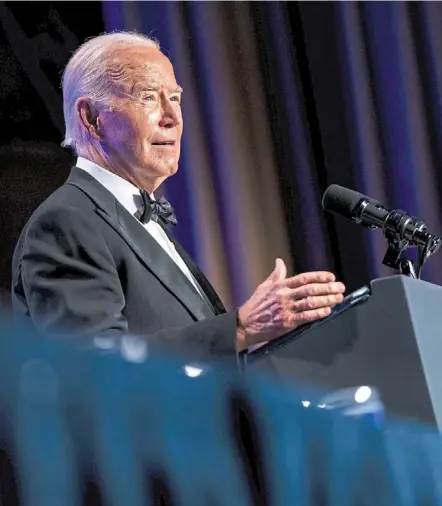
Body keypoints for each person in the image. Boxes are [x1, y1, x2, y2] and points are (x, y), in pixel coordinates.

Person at [11, 31, 345, 359]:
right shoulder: (68, 221)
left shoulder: (136, 218)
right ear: (92, 118)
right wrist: (240, 328)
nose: (172, 118)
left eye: (175, 98)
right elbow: (98, 370)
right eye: (148, 97)